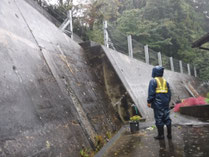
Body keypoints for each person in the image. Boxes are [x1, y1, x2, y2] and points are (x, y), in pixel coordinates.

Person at [147, 66, 172, 139]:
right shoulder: (165, 81)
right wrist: (167, 101)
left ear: (154, 72)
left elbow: (151, 93)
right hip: (165, 103)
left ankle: (161, 135)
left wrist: (149, 101)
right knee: (167, 118)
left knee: (159, 118)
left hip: (157, 104)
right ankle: (169, 135)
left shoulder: (153, 81)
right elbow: (169, 93)